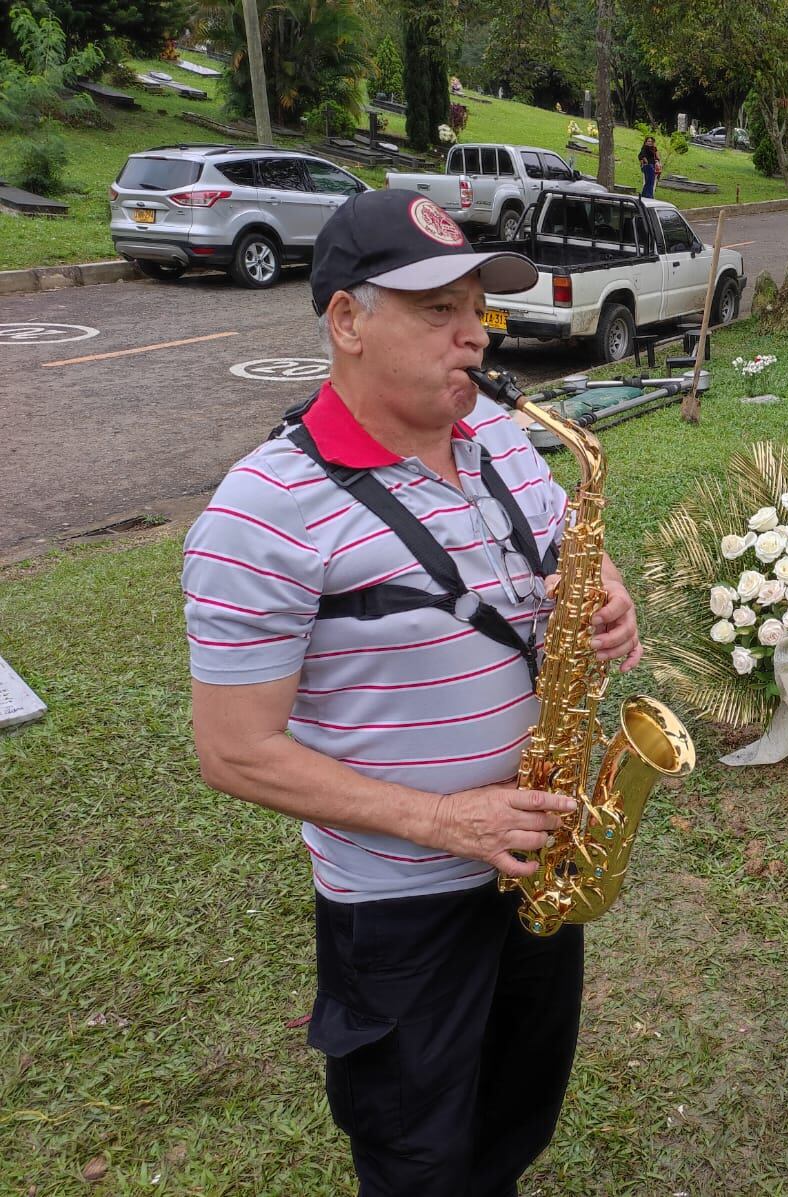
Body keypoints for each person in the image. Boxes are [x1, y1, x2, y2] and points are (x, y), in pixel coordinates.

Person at [183, 187, 644, 1196]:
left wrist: (602, 593)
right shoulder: (260, 516)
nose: (473, 335)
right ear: (347, 320)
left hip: (533, 864)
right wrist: (442, 819)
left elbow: (567, 543)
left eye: (477, 308)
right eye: (438, 311)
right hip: (402, 912)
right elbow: (232, 751)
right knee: (418, 1161)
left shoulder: (501, 433)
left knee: (513, 1124)